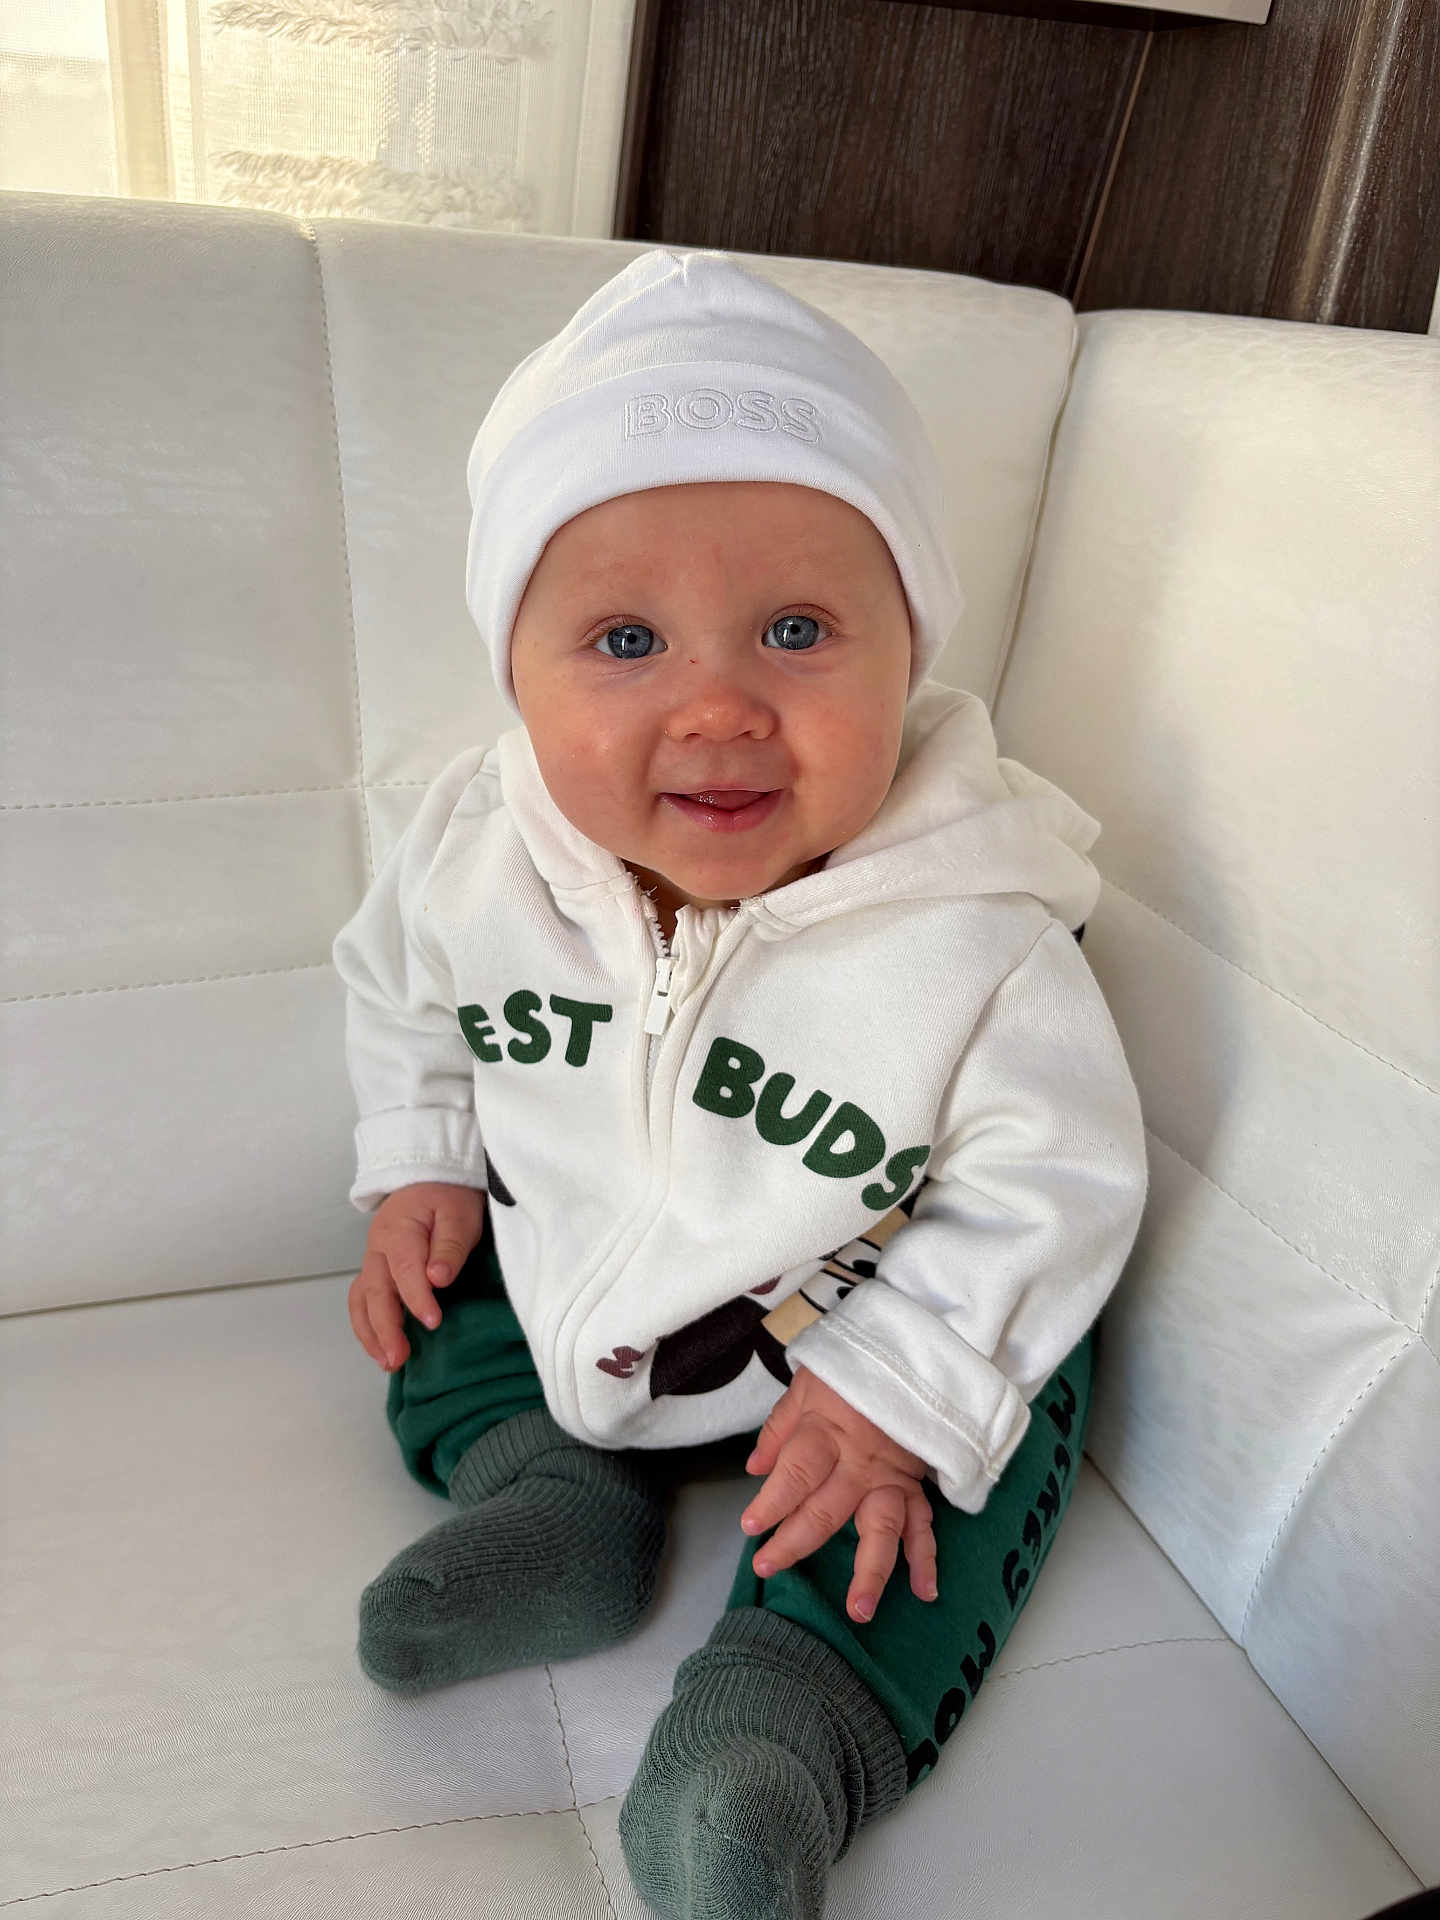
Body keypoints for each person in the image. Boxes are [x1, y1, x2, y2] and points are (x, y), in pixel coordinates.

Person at [331, 247, 1149, 1920]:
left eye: (797, 630)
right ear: (516, 670)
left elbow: (1056, 1182)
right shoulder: (484, 844)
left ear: (906, 650)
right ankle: (556, 1499)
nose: (719, 704)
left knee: (1007, 1414)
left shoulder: (977, 931)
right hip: (573, 1273)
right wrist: (417, 1157)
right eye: (623, 638)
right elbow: (400, 985)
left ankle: (779, 1734)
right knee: (427, 1295)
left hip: (839, 1337)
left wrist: (894, 1390)